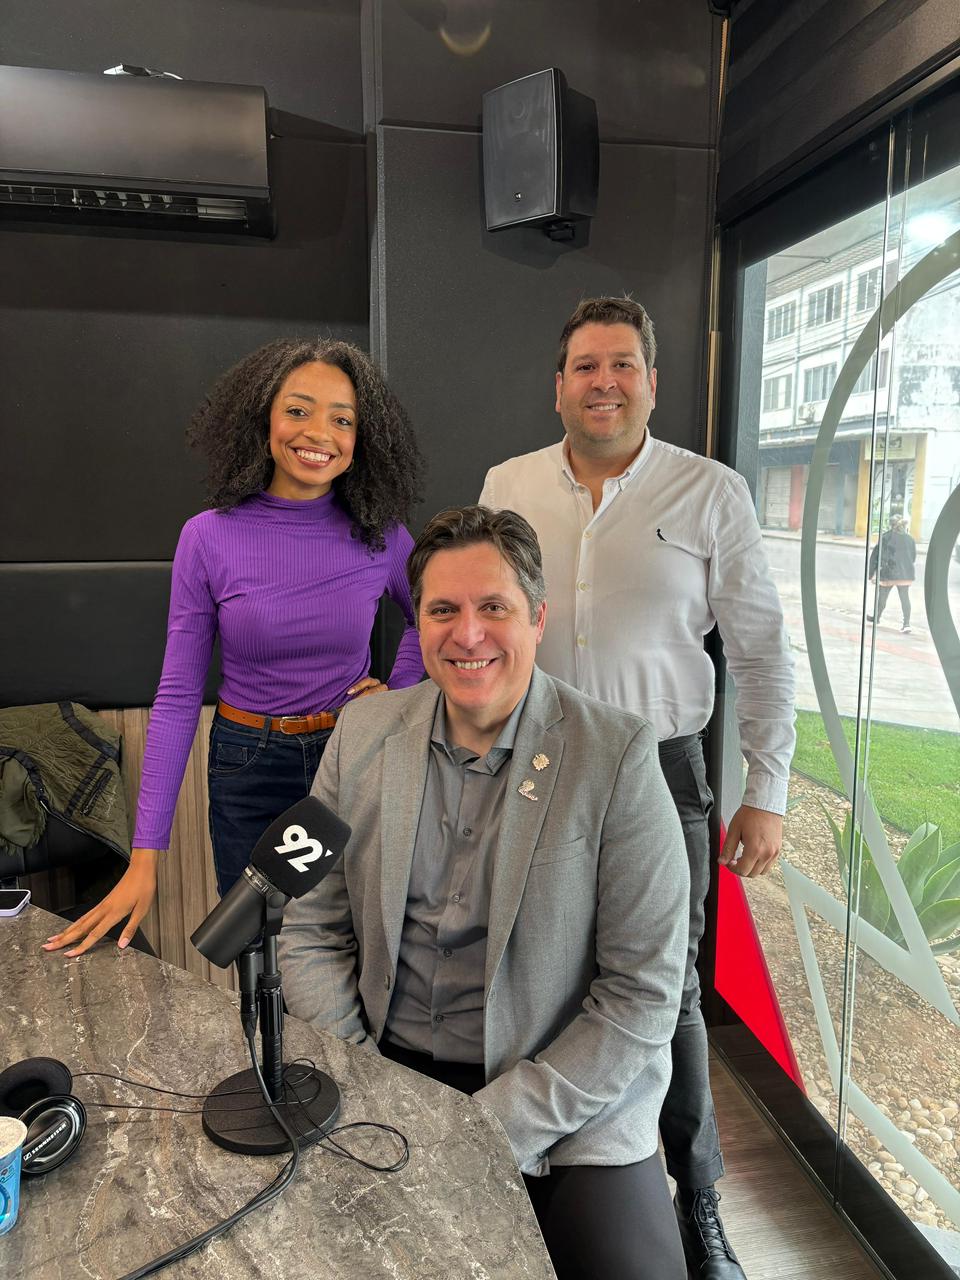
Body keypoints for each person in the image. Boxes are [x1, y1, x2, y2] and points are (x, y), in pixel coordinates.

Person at [279, 505, 690, 1280]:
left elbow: (642, 994)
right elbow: (310, 930)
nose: (467, 634)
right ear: (419, 624)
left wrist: (490, 1125)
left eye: (493, 607)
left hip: (563, 1098)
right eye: (443, 610)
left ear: (538, 618)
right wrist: (364, 1080)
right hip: (386, 1074)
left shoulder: (618, 756)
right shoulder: (361, 734)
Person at [479, 297, 796, 1280]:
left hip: (661, 772)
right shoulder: (507, 484)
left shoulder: (710, 492)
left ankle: (696, 1199)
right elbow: (482, 620)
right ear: (559, 386)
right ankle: (537, 1174)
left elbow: (760, 647)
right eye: (585, 365)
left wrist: (768, 788)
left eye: (622, 364)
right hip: (533, 765)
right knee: (532, 968)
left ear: (652, 382)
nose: (604, 382)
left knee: (668, 991)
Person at [44, 338, 425, 959]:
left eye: (343, 419)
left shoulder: (381, 536)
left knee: (351, 948)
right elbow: (177, 696)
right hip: (249, 763)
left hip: (351, 756)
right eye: (298, 410)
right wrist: (144, 858)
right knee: (254, 953)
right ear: (263, 419)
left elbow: (432, 618)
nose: (319, 433)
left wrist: (398, 692)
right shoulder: (208, 537)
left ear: (363, 438)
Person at [868, 515, 916, 633]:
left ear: (891, 525)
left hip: (888, 573)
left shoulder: (886, 537)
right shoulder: (910, 539)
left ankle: (876, 618)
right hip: (905, 574)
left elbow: (876, 555)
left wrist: (871, 573)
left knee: (882, 597)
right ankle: (906, 624)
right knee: (905, 598)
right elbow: (913, 557)